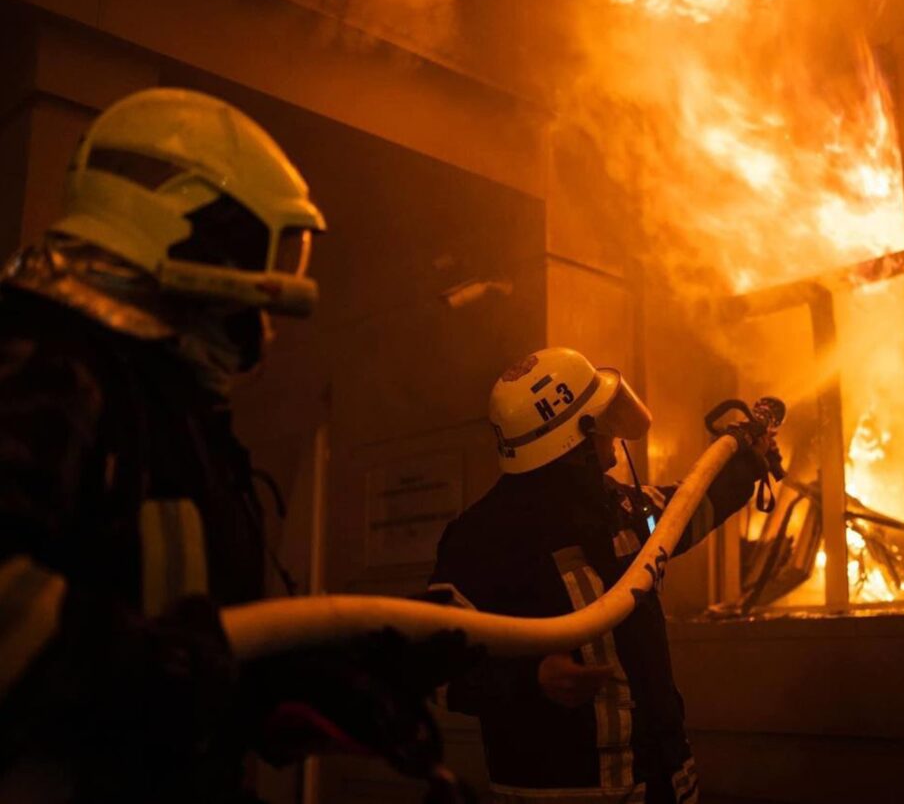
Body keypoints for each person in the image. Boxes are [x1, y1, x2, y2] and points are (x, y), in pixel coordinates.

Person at [0, 88, 471, 803]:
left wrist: (336, 673)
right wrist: (177, 667)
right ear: (186, 232)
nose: (262, 322)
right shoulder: (43, 362)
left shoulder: (165, 410)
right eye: (256, 278)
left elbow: (206, 644)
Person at [430, 347, 780, 804]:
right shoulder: (481, 541)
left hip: (664, 781)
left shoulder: (616, 507)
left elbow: (680, 515)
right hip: (562, 794)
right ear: (574, 438)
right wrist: (532, 678)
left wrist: (745, 465)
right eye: (602, 420)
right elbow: (435, 666)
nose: (615, 433)